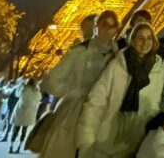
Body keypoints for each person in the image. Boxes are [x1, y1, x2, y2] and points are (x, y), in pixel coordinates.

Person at [77, 22, 164, 157]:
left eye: (149, 38)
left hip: (139, 142)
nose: (145, 42)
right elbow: (97, 99)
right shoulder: (117, 65)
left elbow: (159, 104)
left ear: (154, 41)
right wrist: (87, 136)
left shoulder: (159, 70)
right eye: (141, 38)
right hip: (108, 139)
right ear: (133, 40)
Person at [40, 9, 120, 157]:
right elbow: (52, 81)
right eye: (104, 25)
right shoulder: (79, 52)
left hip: (101, 115)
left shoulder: (119, 55)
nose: (107, 29)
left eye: (112, 26)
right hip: (74, 115)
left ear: (117, 29)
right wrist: (72, 93)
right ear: (96, 26)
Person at [9, 78, 42, 154]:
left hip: (20, 111)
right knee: (24, 130)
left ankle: (11, 146)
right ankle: (19, 147)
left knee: (15, 130)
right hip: (29, 113)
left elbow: (17, 94)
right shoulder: (36, 91)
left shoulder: (23, 89)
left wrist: (21, 85)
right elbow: (39, 98)